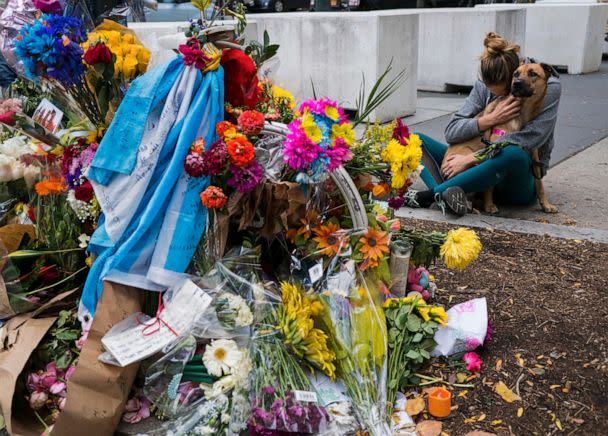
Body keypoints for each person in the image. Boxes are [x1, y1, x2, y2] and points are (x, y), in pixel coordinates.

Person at [405, 32, 561, 216]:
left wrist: (470, 159)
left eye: (504, 91)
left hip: (514, 179)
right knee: (413, 140)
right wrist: (490, 119)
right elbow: (452, 131)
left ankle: (432, 195)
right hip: (480, 173)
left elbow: (531, 138)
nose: (515, 88)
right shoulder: (485, 84)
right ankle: (448, 195)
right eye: (491, 91)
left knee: (511, 150)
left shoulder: (547, 87)